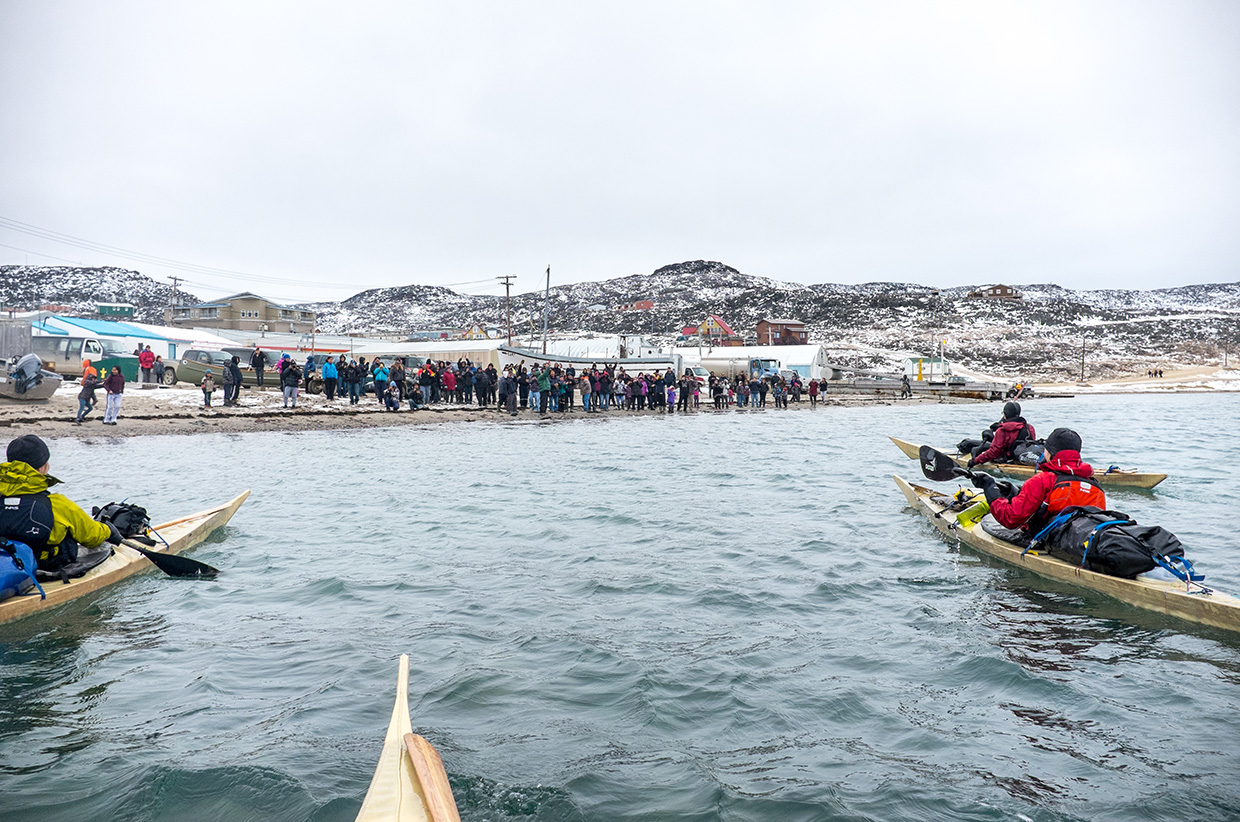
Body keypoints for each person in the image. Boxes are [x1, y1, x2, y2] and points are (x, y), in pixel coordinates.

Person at [0, 434, 123, 576]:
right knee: (101, 545)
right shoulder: (57, 503)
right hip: (47, 567)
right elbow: (91, 536)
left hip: (9, 565)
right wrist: (108, 530)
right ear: (43, 467)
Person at [972, 428, 1105, 533]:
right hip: (1079, 540)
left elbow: (1011, 519)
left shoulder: (1042, 480)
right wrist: (1014, 492)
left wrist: (990, 489)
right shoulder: (1094, 485)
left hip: (1046, 540)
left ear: (1049, 452)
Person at [969, 401, 1035, 467]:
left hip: (1007, 460)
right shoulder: (1029, 428)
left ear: (1005, 414)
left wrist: (975, 461)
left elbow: (993, 453)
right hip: (1024, 458)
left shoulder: (1002, 431)